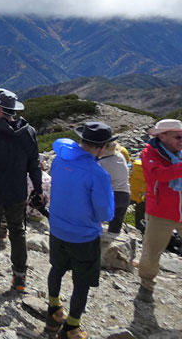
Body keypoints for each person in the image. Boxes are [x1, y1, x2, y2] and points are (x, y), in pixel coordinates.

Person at [45, 123, 115, 339]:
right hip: (83, 236)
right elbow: (105, 213)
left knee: (56, 268)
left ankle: (53, 311)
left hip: (57, 227)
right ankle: (71, 327)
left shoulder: (59, 159)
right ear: (103, 147)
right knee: (81, 282)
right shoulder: (98, 174)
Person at [0, 87, 42, 291]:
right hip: (17, 192)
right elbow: (35, 164)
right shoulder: (28, 132)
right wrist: (38, 189)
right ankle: (19, 277)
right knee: (17, 231)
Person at [137, 118, 182, 303]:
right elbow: (160, 175)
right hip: (160, 211)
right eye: (178, 137)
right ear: (162, 136)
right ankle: (146, 284)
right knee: (152, 251)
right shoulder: (149, 153)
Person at [97, 139, 130, 240]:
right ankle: (115, 241)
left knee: (97, 218)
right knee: (117, 223)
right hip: (125, 194)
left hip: (110, 194)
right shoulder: (120, 157)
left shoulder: (101, 163)